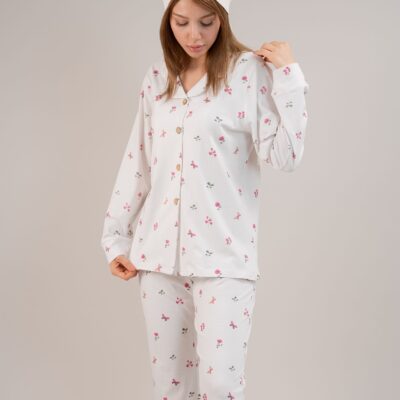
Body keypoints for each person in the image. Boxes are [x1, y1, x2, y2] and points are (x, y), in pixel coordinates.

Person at [100, 0, 310, 398]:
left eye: (206, 22)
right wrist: (115, 238)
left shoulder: (247, 72)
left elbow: (285, 156)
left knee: (221, 386)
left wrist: (289, 78)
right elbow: (138, 160)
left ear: (223, 19)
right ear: (167, 20)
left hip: (224, 259)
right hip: (158, 258)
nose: (193, 35)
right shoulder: (158, 77)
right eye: (181, 23)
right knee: (171, 387)